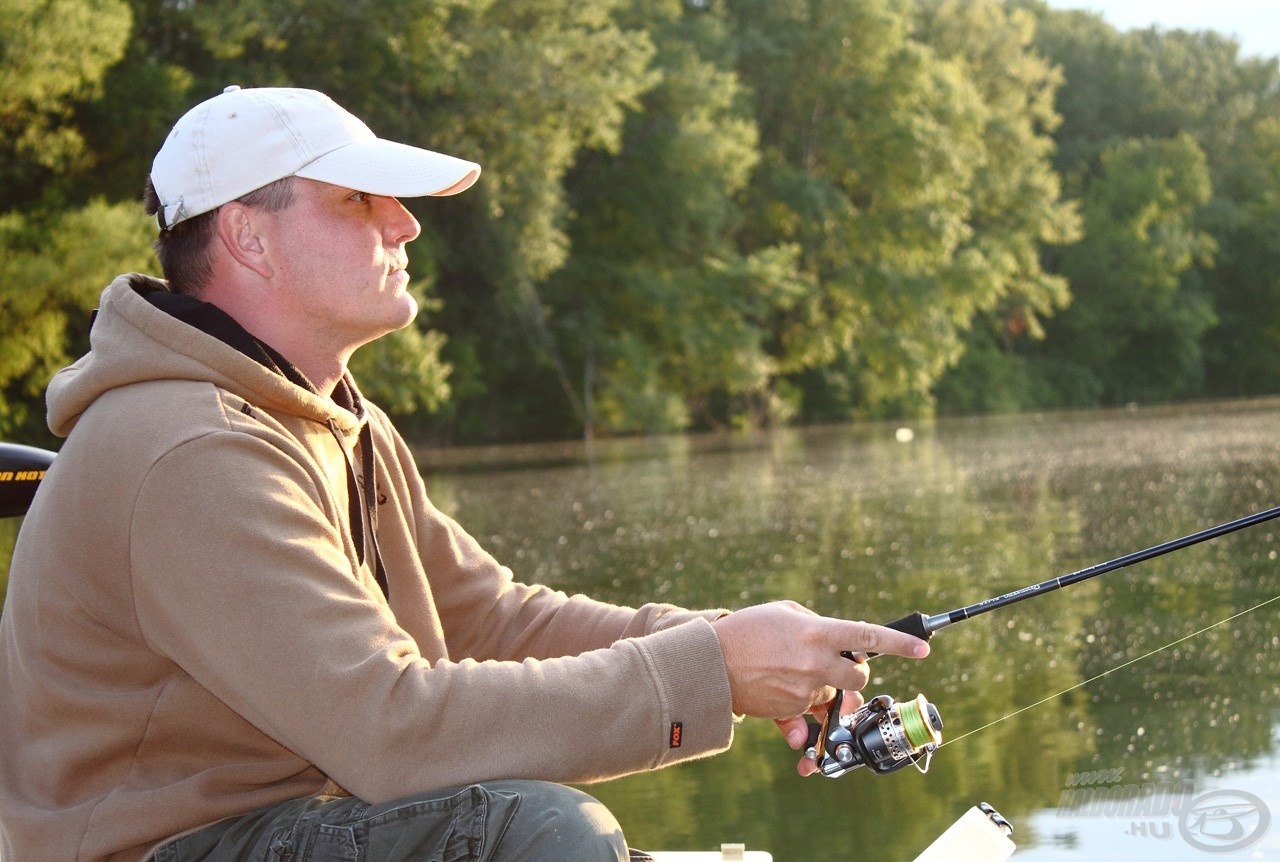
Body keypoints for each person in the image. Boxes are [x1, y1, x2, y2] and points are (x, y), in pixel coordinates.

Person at [0, 86, 929, 861]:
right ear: (248, 237)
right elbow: (390, 727)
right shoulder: (191, 449)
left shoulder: (326, 414)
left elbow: (490, 619)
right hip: (162, 848)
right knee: (536, 832)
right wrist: (711, 673)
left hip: (289, 818)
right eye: (360, 200)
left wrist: (728, 641)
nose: (405, 223)